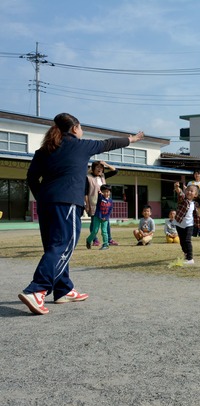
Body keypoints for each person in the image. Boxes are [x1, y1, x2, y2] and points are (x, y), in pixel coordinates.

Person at [20, 112, 143, 315]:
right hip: (67, 203)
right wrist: (132, 139)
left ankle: (63, 289)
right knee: (63, 245)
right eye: (81, 127)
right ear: (75, 128)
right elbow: (109, 143)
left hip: (45, 204)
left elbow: (31, 177)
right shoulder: (81, 145)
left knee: (55, 246)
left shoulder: (43, 150)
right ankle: (37, 289)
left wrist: (41, 197)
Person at [85, 160, 119, 246]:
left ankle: (109, 239)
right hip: (93, 203)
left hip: (104, 204)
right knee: (94, 223)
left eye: (101, 167)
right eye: (97, 167)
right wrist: (87, 205)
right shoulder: (88, 177)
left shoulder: (103, 176)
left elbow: (115, 171)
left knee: (106, 222)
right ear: (93, 169)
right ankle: (95, 240)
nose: (100, 169)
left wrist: (106, 164)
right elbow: (85, 192)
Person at [173, 182, 200, 264]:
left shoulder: (195, 204)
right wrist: (177, 188)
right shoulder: (183, 200)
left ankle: (190, 259)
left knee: (187, 240)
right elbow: (180, 194)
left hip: (189, 225)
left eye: (192, 191)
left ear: (195, 195)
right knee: (182, 241)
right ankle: (186, 253)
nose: (189, 192)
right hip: (179, 224)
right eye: (188, 190)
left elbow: (196, 214)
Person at [85, 184, 113, 250]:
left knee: (104, 231)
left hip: (105, 219)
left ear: (110, 192)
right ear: (102, 192)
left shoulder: (111, 201)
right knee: (94, 231)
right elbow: (99, 196)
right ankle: (88, 240)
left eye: (108, 191)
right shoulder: (100, 198)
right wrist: (99, 193)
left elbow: (110, 211)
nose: (106, 193)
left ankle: (106, 244)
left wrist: (106, 217)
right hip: (97, 217)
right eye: (104, 191)